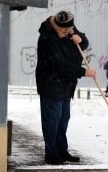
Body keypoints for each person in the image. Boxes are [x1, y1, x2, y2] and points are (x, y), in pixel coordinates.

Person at [35, 10, 96, 165]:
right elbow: (58, 65)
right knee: (52, 120)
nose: (67, 32)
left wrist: (80, 38)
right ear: (56, 25)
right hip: (51, 84)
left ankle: (62, 150)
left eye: (69, 29)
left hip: (66, 85)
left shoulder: (69, 27)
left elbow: (85, 43)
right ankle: (51, 154)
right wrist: (83, 72)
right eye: (64, 30)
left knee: (63, 119)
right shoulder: (47, 38)